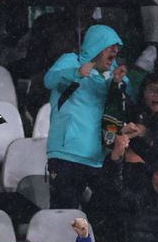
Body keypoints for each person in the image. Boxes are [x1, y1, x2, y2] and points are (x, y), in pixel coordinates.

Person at [44, 24, 124, 210]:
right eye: (110, 45)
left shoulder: (116, 74)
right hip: (67, 155)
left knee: (103, 216)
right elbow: (49, 80)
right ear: (96, 45)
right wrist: (76, 73)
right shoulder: (72, 61)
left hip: (100, 157)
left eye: (117, 47)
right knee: (64, 215)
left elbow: (122, 107)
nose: (115, 50)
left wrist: (118, 85)